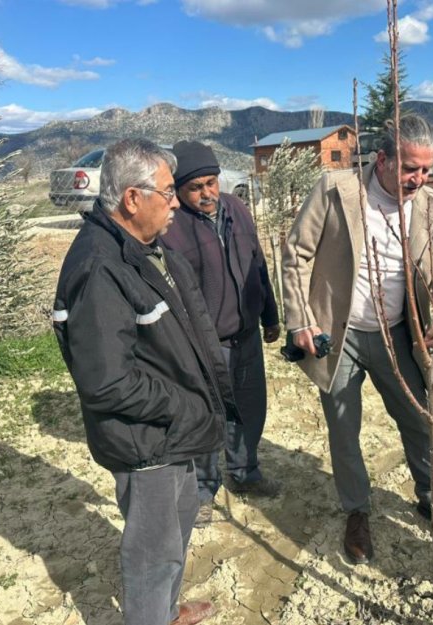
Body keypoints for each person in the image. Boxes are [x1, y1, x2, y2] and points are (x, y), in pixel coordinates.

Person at [52, 139, 234, 625]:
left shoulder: (138, 247)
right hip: (147, 439)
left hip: (170, 432)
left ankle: (167, 612)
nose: (177, 203)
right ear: (133, 199)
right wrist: (185, 406)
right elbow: (107, 382)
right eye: (168, 192)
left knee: (174, 534)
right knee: (153, 556)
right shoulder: (100, 267)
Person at [281, 114, 433, 565]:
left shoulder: (431, 207)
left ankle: (430, 496)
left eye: (426, 170)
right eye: (410, 168)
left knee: (421, 418)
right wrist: (301, 319)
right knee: (344, 430)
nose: (419, 179)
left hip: (398, 334)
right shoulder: (336, 190)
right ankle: (357, 512)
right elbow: (296, 254)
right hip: (339, 332)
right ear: (382, 159)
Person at [160, 140, 281, 526]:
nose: (206, 193)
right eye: (195, 187)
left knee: (249, 410)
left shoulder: (238, 209)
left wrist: (270, 315)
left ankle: (245, 473)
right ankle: (203, 491)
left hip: (245, 336)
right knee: (209, 418)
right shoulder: (171, 228)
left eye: (211, 182)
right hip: (203, 346)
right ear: (178, 190)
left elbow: (257, 265)